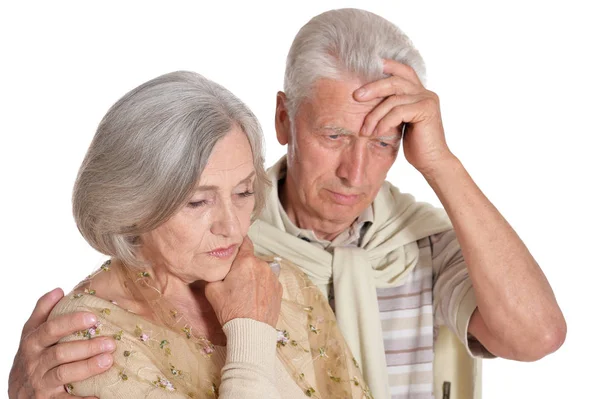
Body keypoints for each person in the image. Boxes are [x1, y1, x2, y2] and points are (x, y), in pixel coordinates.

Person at [9, 8, 566, 399]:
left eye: (382, 142)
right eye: (333, 136)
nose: (356, 171)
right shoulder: (226, 260)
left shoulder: (425, 243)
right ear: (283, 118)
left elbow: (537, 336)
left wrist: (441, 161)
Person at [11, 70, 371, 398]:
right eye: (199, 202)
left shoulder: (284, 283)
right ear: (134, 203)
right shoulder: (92, 337)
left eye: (244, 192)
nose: (231, 226)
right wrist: (251, 333)